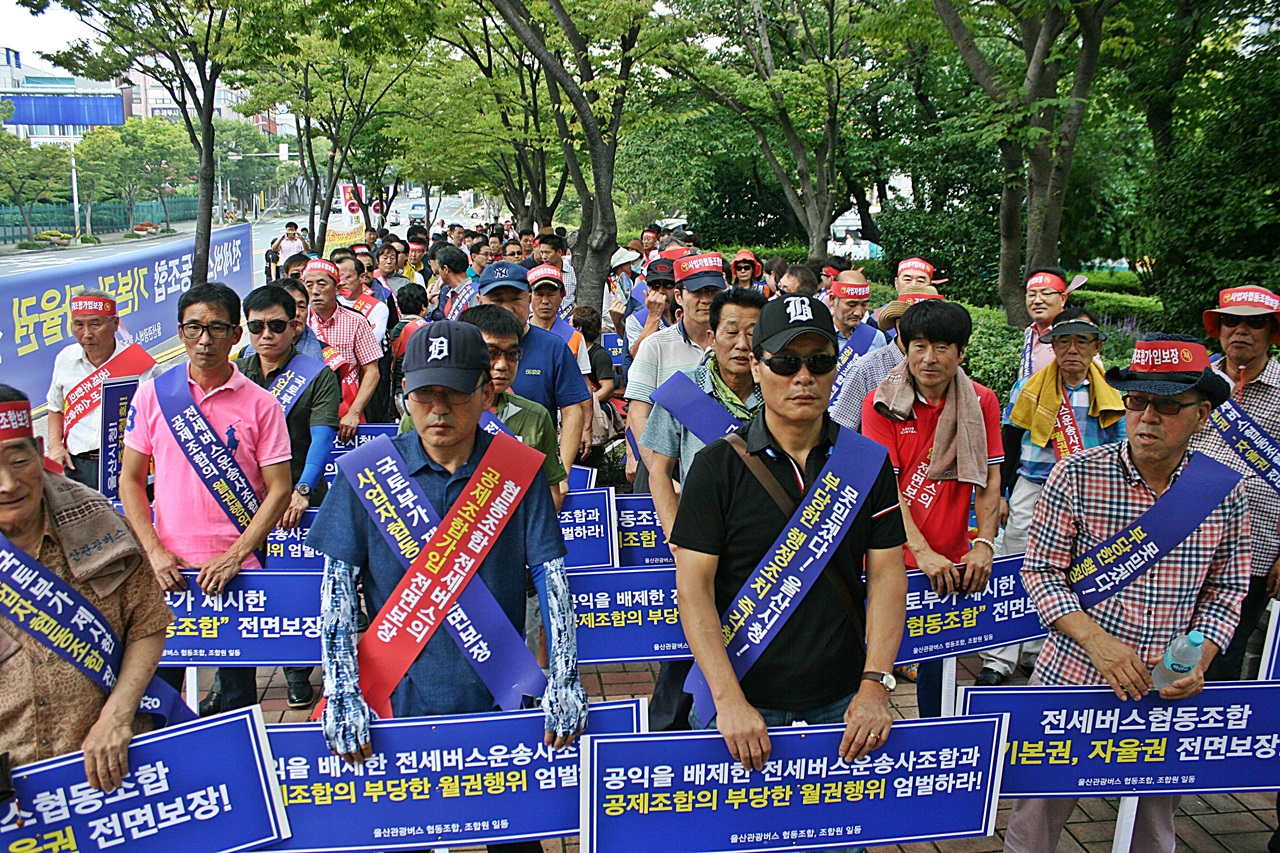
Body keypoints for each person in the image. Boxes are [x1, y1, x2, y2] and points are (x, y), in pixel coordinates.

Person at [305, 321, 587, 853]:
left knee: (514, 835)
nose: (438, 410)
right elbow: (336, 593)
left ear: (486, 392)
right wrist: (342, 687)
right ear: (403, 396)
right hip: (399, 695)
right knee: (404, 833)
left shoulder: (518, 472)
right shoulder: (364, 474)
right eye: (424, 395)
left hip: (499, 693)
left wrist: (565, 678)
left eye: (454, 394)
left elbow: (553, 579)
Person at [1006, 335, 1248, 852]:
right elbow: (1042, 573)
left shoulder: (1224, 490)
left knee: (1153, 825)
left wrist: (1198, 661)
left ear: (1202, 414)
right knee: (1035, 819)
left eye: (1167, 406)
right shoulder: (1077, 474)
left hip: (1166, 687)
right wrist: (1097, 642)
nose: (1147, 418)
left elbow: (1227, 591)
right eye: (1138, 402)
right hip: (1069, 680)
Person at [670, 294, 908, 801]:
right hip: (740, 702)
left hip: (843, 704)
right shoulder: (717, 467)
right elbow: (693, 590)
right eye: (785, 361)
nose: (804, 377)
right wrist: (728, 699)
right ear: (757, 367)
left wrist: (875, 685)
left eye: (819, 362)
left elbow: (888, 576)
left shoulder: (866, 462)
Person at [121, 282, 293, 714]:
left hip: (237, 574)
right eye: (193, 327)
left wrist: (236, 555)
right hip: (168, 572)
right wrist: (154, 552)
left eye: (216, 328)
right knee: (156, 693)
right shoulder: (154, 395)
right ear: (180, 332)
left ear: (236, 334)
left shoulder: (261, 404)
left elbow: (279, 489)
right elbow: (130, 479)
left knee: (237, 695)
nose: (204, 340)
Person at [0, 385, 171, 787]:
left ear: (41, 450)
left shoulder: (97, 520)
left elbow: (148, 622)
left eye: (19, 460)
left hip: (110, 770)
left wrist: (116, 717)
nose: (7, 483)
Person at [861, 299, 1003, 717]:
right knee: (876, 658)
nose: (929, 358)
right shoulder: (881, 402)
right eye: (919, 345)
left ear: (961, 353)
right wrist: (921, 553)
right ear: (903, 346)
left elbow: (991, 479)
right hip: (888, 556)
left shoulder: (982, 402)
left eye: (942, 347)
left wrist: (985, 544)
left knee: (939, 665)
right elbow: (885, 486)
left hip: (953, 559)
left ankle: (932, 744)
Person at [976, 309, 1126, 686]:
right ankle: (999, 658)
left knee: (1070, 570)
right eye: (1063, 341)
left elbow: (1120, 446)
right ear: (1052, 346)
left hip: (1090, 492)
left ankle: (1039, 651)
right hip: (1033, 484)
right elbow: (1009, 443)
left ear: (1096, 347)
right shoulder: (1029, 386)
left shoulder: (1110, 391)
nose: (1072, 350)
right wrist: (1004, 494)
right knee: (1013, 565)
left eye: (1081, 341)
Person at [640, 286, 767, 733]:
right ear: (712, 335)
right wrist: (675, 531)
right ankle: (666, 747)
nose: (742, 343)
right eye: (731, 331)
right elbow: (659, 469)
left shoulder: (779, 391)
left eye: (753, 332)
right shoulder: (684, 393)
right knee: (684, 652)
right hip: (699, 547)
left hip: (766, 549)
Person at [235, 285, 342, 709]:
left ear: (294, 328)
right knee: (246, 587)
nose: (266, 335)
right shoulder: (237, 371)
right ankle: (235, 685)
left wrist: (299, 492)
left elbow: (321, 439)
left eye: (276, 326)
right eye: (257, 326)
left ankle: (299, 673)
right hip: (243, 498)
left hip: (301, 500)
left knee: (297, 591)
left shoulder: (315, 375)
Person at [1193, 287, 1280, 681]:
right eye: (1232, 320)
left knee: (1224, 653)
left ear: (1272, 331)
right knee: (1169, 643)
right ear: (1219, 327)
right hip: (1184, 537)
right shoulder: (1195, 382)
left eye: (1255, 322)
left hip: (1257, 547)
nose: (1241, 331)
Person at [477, 261, 591, 478]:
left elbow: (572, 410)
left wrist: (562, 472)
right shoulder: (465, 345)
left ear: (529, 298)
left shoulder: (554, 347)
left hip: (535, 467)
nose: (507, 309)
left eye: (514, 299)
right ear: (480, 301)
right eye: (497, 300)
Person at [625, 254, 726, 489]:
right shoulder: (655, 345)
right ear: (679, 296)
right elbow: (639, 414)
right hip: (661, 462)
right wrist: (659, 473)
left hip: (719, 464)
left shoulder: (736, 347)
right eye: (697, 292)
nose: (705, 300)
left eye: (712, 292)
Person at [45, 291, 158, 490]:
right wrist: (55, 446)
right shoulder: (65, 360)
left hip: (127, 466)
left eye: (95, 324)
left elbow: (159, 422)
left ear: (115, 324)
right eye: (78, 324)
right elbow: (56, 407)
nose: (87, 334)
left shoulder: (144, 368)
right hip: (77, 465)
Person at [829, 287, 941, 432]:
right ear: (900, 325)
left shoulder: (947, 370)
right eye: (922, 329)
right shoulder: (866, 369)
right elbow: (841, 432)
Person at [304, 258, 382, 440]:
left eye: (322, 284)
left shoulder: (357, 321)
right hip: (306, 415)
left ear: (338, 289)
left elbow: (372, 372)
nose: (315, 291)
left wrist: (354, 412)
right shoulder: (299, 323)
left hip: (345, 412)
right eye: (309, 285)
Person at [1019, 267, 1071, 379]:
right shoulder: (1030, 332)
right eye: (1032, 295)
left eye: (1046, 293)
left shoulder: (1073, 335)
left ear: (1062, 299)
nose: (1037, 301)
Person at [830, 271, 887, 354]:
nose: (858, 313)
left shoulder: (876, 338)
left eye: (864, 305)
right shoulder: (818, 336)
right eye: (851, 305)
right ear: (832, 300)